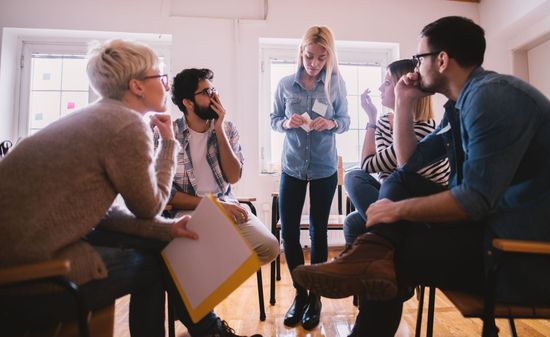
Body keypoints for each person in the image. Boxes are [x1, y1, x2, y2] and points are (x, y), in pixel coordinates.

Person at [293, 16, 550, 337]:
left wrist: (396, 210)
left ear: (441, 60)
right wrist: (403, 102)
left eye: (419, 58)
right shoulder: (463, 104)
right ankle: (367, 255)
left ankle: (364, 261)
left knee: (387, 261)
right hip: (497, 236)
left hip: (531, 260)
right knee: (375, 212)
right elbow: (409, 164)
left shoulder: (491, 99)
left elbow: (474, 200)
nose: (415, 66)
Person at [0, 40, 261, 337]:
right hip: (25, 275)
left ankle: (210, 331)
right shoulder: (126, 125)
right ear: (137, 86)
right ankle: (210, 332)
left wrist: (166, 230)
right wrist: (168, 144)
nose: (165, 85)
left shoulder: (101, 116)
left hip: (20, 252)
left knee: (162, 246)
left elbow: (103, 213)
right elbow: (150, 207)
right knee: (152, 267)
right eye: (160, 77)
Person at [166, 67, 279, 336]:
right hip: (187, 211)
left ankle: (197, 307)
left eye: (213, 89)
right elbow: (167, 195)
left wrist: (219, 130)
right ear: (187, 102)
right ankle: (206, 319)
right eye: (205, 92)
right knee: (183, 259)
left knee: (269, 247)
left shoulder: (226, 128)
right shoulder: (169, 135)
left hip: (226, 203)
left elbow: (234, 176)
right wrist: (212, 208)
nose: (214, 95)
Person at [270, 25, 350, 330]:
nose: (313, 64)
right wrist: (285, 123)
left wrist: (329, 122)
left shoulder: (336, 84)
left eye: (320, 58)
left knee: (318, 232)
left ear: (329, 57)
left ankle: (315, 298)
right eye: (308, 56)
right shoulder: (285, 85)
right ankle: (300, 294)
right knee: (288, 232)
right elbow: (273, 120)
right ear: (301, 52)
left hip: (324, 169)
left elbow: (345, 121)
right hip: (291, 167)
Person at [343, 59, 449, 247]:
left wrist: (372, 122)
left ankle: (386, 241)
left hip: (419, 204)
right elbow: (374, 166)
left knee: (354, 177)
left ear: (403, 87)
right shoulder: (385, 121)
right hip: (393, 192)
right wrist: (373, 119)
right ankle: (368, 266)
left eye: (387, 82)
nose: (380, 88)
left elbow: (369, 164)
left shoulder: (423, 129)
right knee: (352, 218)